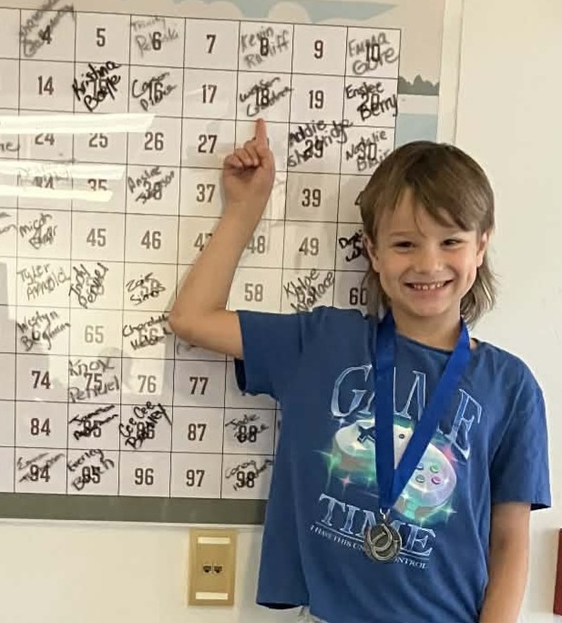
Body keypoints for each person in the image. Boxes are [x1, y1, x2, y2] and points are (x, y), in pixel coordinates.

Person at [168, 117, 551, 623]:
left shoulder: (511, 385)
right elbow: (191, 318)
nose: (428, 263)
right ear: (373, 252)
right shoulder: (322, 344)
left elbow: (509, 541)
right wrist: (244, 208)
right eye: (404, 243)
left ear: (481, 245)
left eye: (451, 241)